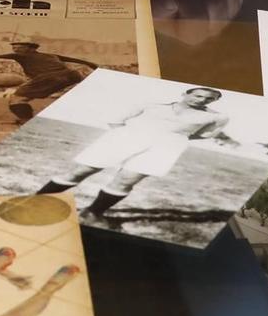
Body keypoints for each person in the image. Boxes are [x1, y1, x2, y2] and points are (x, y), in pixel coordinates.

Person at [41, 86, 241, 218]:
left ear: (213, 101)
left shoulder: (218, 117)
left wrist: (171, 138)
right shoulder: (151, 104)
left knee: (126, 180)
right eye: (197, 95)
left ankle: (92, 213)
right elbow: (117, 120)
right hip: (126, 137)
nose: (201, 100)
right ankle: (37, 201)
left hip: (166, 146)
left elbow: (203, 135)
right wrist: (127, 135)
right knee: (81, 171)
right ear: (186, 93)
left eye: (208, 98)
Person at [0, 40, 101, 121]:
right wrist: (91, 64)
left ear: (31, 48)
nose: (15, 49)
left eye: (19, 47)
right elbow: (76, 60)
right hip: (71, 75)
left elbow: (0, 56)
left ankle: (25, 119)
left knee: (17, 98)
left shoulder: (20, 56)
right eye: (14, 47)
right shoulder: (52, 55)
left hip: (48, 77)